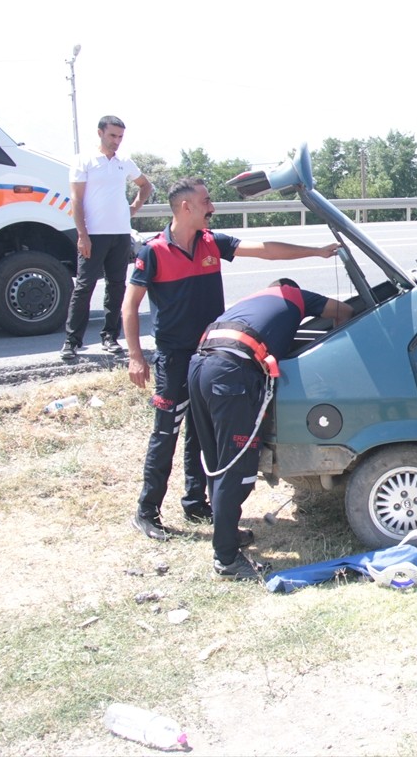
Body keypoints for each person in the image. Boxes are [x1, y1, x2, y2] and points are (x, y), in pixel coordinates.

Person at [122, 177, 341, 542]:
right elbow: (129, 307)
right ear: (185, 207)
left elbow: (266, 250)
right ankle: (147, 512)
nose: (213, 207)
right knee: (166, 434)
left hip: (208, 356)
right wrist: (134, 356)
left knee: (201, 434)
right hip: (174, 359)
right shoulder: (153, 251)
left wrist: (316, 252)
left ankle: (195, 502)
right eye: (206, 201)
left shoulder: (212, 243)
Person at [190, 279, 352, 580]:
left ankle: (226, 534)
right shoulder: (296, 297)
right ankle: (226, 559)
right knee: (236, 468)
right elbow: (344, 310)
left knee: (216, 460)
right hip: (230, 373)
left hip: (200, 364)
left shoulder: (254, 300)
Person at [60, 115, 153, 362]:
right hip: (93, 234)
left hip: (120, 234)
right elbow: (76, 200)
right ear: (100, 133)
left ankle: (110, 337)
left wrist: (133, 207)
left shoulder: (125, 161)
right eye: (113, 135)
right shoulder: (85, 160)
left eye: (120, 137)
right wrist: (83, 235)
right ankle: (72, 341)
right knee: (84, 286)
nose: (117, 141)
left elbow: (146, 186)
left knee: (116, 286)